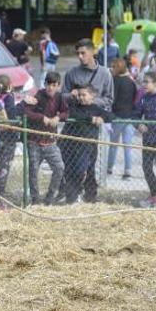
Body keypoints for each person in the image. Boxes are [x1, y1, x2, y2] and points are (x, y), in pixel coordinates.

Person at [63, 38, 115, 203]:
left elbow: (109, 100)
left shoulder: (105, 73)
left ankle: (91, 197)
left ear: (92, 52)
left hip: (93, 126)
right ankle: (71, 195)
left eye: (83, 53)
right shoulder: (72, 73)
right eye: (77, 53)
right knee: (69, 161)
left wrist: (91, 101)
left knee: (90, 164)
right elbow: (62, 96)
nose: (80, 56)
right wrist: (72, 95)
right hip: (73, 124)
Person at [60, 84, 113, 204]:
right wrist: (91, 119)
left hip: (89, 147)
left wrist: (102, 118)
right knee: (71, 170)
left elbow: (110, 115)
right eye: (79, 95)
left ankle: (89, 196)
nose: (81, 97)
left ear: (92, 95)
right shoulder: (74, 106)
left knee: (87, 171)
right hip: (71, 146)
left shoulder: (96, 108)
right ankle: (72, 196)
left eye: (84, 95)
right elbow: (75, 114)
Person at [23, 72, 68, 205]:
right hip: (34, 141)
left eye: (54, 85)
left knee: (59, 167)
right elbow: (27, 111)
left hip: (50, 141)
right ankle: (35, 200)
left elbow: (66, 112)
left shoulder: (59, 98)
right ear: (45, 84)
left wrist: (58, 117)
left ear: (58, 86)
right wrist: (42, 118)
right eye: (49, 84)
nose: (51, 88)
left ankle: (49, 198)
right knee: (33, 172)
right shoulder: (38, 95)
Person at [0, 75, 23, 197]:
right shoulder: (9, 98)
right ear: (9, 85)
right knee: (4, 165)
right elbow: (12, 115)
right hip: (8, 137)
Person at [135, 71, 156, 207]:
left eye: (147, 82)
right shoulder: (143, 98)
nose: (144, 84)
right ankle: (153, 195)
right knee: (147, 167)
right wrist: (138, 124)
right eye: (143, 82)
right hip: (148, 139)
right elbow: (135, 115)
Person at [107, 58, 138, 180]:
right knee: (128, 145)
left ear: (118, 68)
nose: (111, 69)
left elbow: (112, 100)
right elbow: (134, 97)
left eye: (113, 67)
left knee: (113, 144)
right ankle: (128, 171)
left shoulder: (115, 81)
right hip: (130, 116)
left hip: (118, 117)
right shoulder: (131, 82)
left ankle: (109, 168)